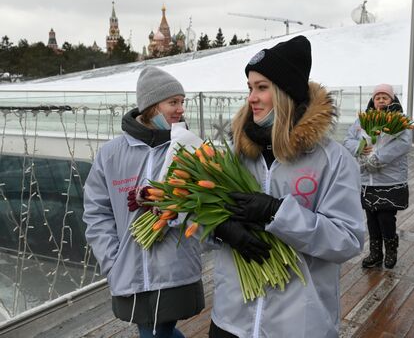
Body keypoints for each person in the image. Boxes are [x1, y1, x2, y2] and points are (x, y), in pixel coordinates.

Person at [208, 35, 365, 338]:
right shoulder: (234, 155)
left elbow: (347, 240)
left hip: (298, 325)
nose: (251, 97)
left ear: (285, 93)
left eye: (262, 88)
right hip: (230, 321)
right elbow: (194, 215)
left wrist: (277, 212)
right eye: (250, 88)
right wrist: (219, 228)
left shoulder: (332, 161)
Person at [83, 67, 205, 338]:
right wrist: (111, 260)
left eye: (182, 102)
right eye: (173, 102)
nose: (180, 109)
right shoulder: (111, 154)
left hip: (176, 267)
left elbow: (201, 205)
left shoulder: (188, 150)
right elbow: (96, 212)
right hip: (129, 269)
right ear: (151, 106)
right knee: (153, 332)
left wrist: (172, 209)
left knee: (155, 333)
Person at [343, 84, 411, 269]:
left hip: (390, 178)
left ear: (392, 100)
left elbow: (403, 143)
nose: (381, 100)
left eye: (385, 97)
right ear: (372, 100)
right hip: (367, 179)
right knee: (371, 216)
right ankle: (375, 252)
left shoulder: (399, 119)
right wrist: (359, 148)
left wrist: (378, 159)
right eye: (377, 97)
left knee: (386, 217)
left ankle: (390, 249)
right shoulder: (362, 120)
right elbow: (348, 139)